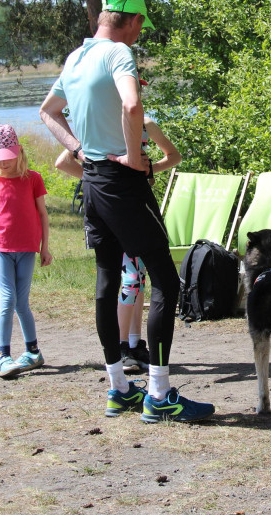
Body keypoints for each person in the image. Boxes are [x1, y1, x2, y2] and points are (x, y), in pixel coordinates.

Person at [39, 0, 213, 422]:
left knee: (105, 281)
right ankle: (158, 394)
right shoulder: (118, 54)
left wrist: (78, 150)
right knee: (166, 283)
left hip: (94, 184)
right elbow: (133, 105)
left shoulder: (75, 58)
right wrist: (136, 159)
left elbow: (47, 111)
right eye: (141, 27)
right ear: (130, 21)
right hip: (123, 183)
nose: (140, 35)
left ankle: (118, 388)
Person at [54, 115, 182, 373]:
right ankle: (122, 347)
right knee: (130, 279)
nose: (135, 92)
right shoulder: (103, 123)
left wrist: (147, 171)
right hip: (113, 207)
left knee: (138, 278)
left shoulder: (146, 124)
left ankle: (135, 345)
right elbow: (63, 162)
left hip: (135, 203)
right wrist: (99, 182)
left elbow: (174, 156)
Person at [0, 124, 52, 379]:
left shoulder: (32, 179)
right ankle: (3, 357)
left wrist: (45, 247)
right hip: (1, 249)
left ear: (18, 152)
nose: (4, 163)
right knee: (7, 300)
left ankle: (33, 352)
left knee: (22, 302)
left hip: (28, 249)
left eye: (8, 158)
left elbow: (42, 214)